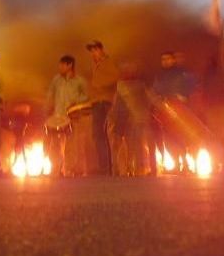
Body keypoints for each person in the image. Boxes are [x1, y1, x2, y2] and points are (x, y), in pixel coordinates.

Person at [151, 51, 196, 173]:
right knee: (169, 139)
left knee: (182, 137)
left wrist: (184, 96)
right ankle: (176, 164)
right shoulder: (160, 75)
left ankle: (186, 164)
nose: (165, 61)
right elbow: (155, 90)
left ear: (173, 60)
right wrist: (158, 103)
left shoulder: (181, 73)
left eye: (168, 59)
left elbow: (191, 86)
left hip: (180, 110)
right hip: (165, 110)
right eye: (163, 59)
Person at [45, 55, 88, 176]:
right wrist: (48, 110)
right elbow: (50, 95)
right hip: (58, 116)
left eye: (62, 65)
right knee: (55, 144)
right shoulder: (56, 80)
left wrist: (76, 101)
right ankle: (56, 169)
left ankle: (70, 169)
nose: (60, 67)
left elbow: (86, 96)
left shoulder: (79, 81)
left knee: (72, 144)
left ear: (70, 65)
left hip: (73, 116)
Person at [110, 61, 152, 176]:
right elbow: (116, 104)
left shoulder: (140, 85)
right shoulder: (121, 85)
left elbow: (147, 100)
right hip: (124, 119)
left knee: (136, 144)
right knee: (125, 145)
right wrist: (113, 117)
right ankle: (125, 168)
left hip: (137, 118)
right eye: (124, 70)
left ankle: (138, 168)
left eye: (129, 70)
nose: (126, 72)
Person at [86, 40, 119, 175]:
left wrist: (100, 85)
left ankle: (105, 168)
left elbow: (116, 76)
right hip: (96, 102)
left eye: (95, 50)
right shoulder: (95, 66)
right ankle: (104, 167)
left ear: (101, 50)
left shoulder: (107, 63)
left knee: (100, 134)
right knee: (98, 134)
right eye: (91, 51)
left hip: (104, 103)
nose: (93, 53)